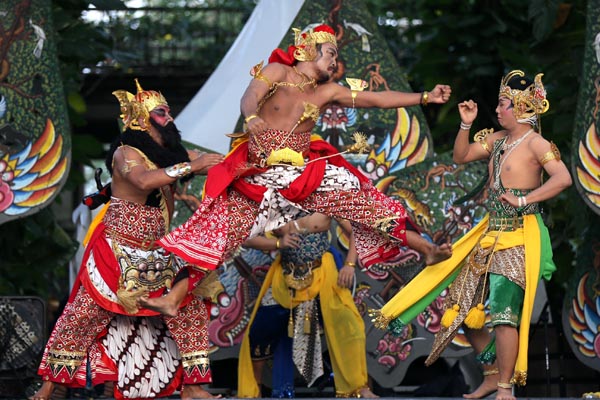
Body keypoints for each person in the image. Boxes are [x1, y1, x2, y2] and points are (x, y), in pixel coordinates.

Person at [158, 24, 453, 280]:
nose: (335, 62)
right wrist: (250, 117)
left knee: (368, 203)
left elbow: (375, 99)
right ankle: (163, 289)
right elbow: (250, 95)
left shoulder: (327, 91)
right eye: (331, 54)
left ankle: (426, 249)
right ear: (309, 51)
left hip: (304, 175)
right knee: (213, 238)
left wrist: (425, 96)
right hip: (260, 175)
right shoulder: (277, 71)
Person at [371, 70, 572, 400]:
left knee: (504, 315)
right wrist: (466, 124)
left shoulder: (537, 143)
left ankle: (506, 388)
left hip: (519, 237)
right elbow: (460, 157)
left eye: (504, 104)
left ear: (521, 108)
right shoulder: (496, 141)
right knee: (462, 307)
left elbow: (562, 178)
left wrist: (524, 199)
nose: (498, 109)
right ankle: (493, 376)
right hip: (490, 234)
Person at [30, 80, 225, 400]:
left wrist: (251, 162)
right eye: (161, 114)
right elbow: (143, 180)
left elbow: (212, 162)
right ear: (140, 120)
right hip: (117, 250)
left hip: (157, 251)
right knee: (81, 316)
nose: (170, 119)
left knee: (191, 307)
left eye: (169, 113)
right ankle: (50, 386)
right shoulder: (126, 153)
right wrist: (192, 165)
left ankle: (193, 387)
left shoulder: (167, 155)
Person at [237, 212, 378, 398]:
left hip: (322, 274)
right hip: (285, 277)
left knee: (349, 325)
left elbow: (357, 232)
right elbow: (245, 238)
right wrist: (278, 243)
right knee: (259, 331)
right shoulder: (277, 202)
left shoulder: (324, 198)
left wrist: (350, 264)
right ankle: (252, 391)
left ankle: (359, 388)